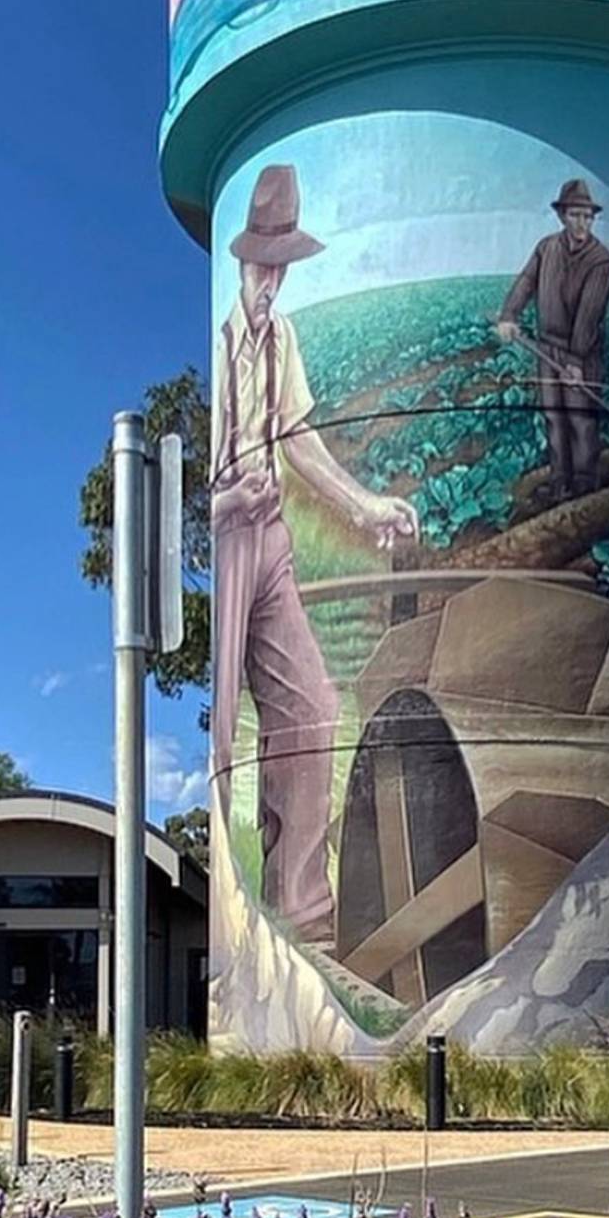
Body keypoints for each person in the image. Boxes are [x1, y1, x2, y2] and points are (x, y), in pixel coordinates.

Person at [212, 164, 418, 944]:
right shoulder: (225, 337)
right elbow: (215, 467)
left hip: (271, 539)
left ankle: (302, 914)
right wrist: (227, 498)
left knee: (313, 707)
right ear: (241, 262)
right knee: (225, 726)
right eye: (263, 265)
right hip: (232, 535)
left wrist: (365, 507)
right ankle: (239, 923)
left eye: (281, 267)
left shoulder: (281, 338)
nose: (271, 281)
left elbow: (296, 438)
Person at [495, 178, 609, 503]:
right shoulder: (546, 248)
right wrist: (509, 315)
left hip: (582, 354)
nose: (582, 223)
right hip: (546, 347)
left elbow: (589, 314)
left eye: (588, 217)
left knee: (580, 420)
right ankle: (561, 484)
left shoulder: (600, 260)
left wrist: (575, 362)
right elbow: (526, 281)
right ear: (563, 216)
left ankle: (586, 490)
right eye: (576, 215)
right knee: (553, 416)